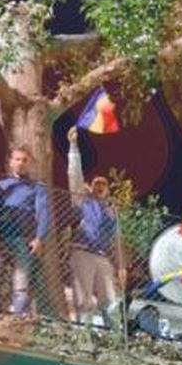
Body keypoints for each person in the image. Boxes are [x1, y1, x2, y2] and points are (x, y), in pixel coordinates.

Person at [66, 126, 124, 329]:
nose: (99, 187)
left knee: (111, 301)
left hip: (103, 256)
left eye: (103, 184)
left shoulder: (112, 212)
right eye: (96, 184)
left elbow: (117, 240)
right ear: (90, 187)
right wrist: (73, 146)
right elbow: (75, 175)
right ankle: (82, 334)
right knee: (84, 300)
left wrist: (121, 266)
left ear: (108, 190)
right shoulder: (83, 201)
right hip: (82, 251)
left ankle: (114, 336)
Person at [0, 144, 54, 317]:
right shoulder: (1, 186)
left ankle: (18, 315)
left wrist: (39, 238)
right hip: (0, 237)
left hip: (23, 237)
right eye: (17, 159)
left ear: (29, 164)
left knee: (21, 278)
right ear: (11, 162)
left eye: (24, 160)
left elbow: (42, 212)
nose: (21, 163)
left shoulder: (37, 186)